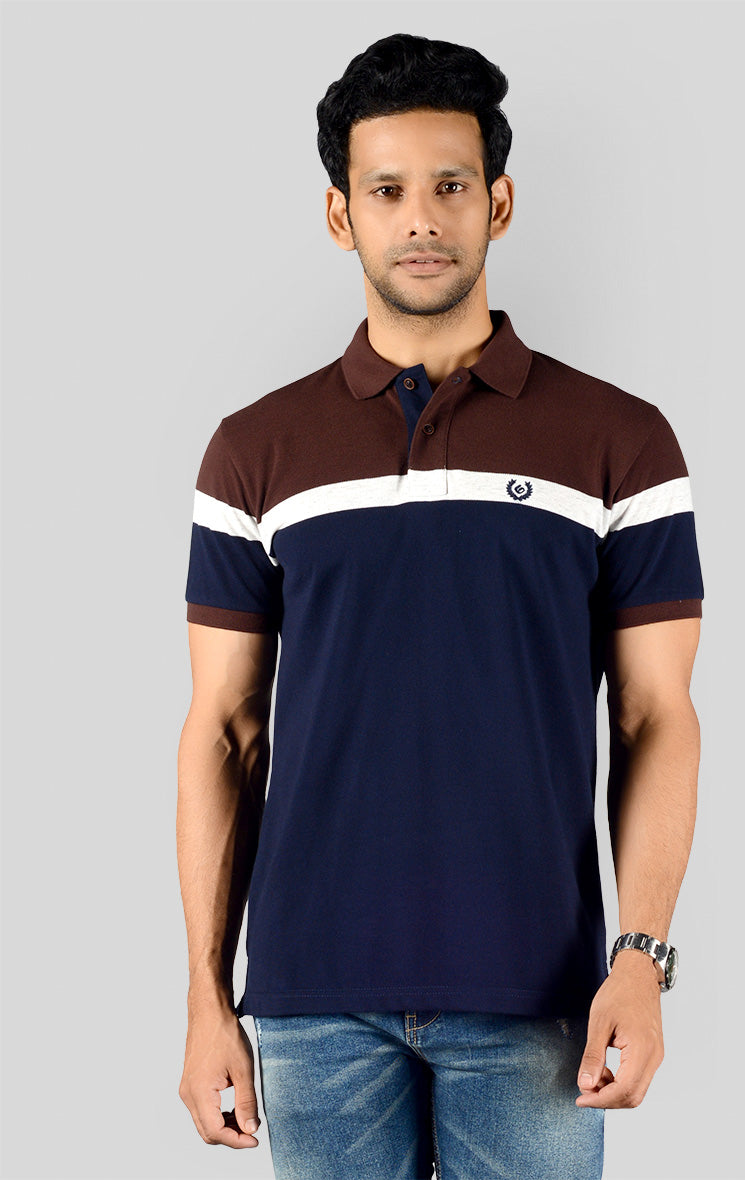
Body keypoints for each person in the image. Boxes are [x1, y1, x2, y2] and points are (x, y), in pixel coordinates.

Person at [177, 31, 703, 1180]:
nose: (421, 218)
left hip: (540, 995)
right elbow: (223, 729)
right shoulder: (254, 451)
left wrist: (641, 959)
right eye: (387, 191)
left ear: (497, 203)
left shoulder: (620, 440)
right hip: (311, 1000)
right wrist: (206, 996)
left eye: (450, 186)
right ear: (341, 215)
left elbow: (656, 716)